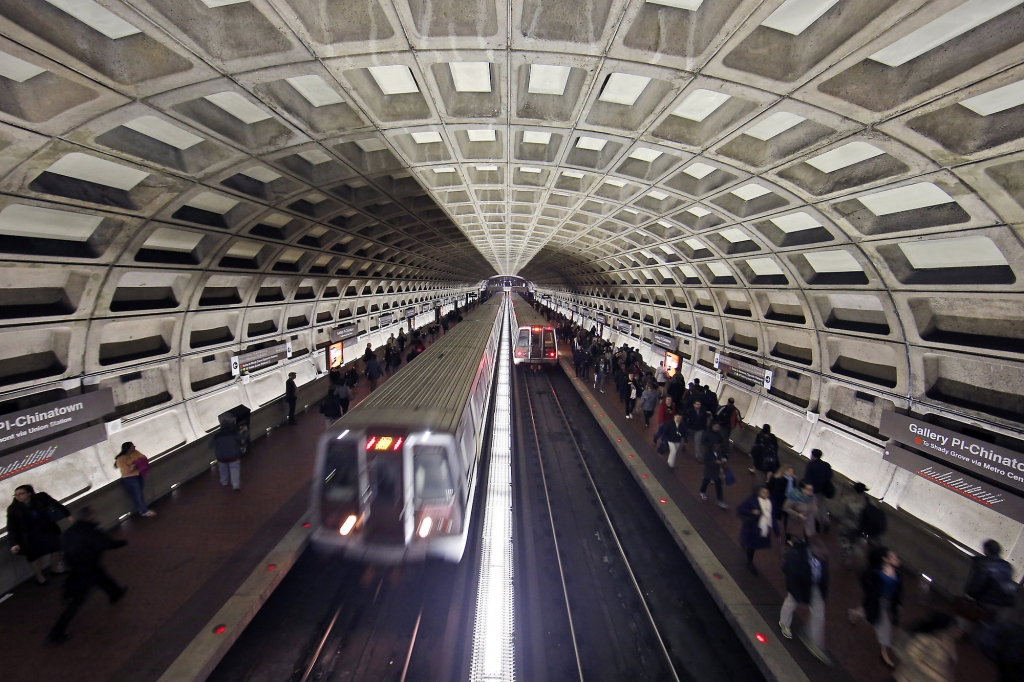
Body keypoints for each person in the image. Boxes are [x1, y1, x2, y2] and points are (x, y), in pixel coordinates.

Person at [47, 506, 127, 644]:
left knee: (102, 578)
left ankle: (115, 593)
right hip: (87, 567)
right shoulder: (90, 531)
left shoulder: (70, 531)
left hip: (78, 567)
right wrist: (123, 542)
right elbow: (106, 543)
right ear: (90, 516)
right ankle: (56, 633)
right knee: (78, 600)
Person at [779, 538, 831, 664]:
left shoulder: (822, 561)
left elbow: (824, 579)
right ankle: (784, 623)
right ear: (814, 553)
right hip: (799, 584)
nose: (823, 559)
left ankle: (814, 639)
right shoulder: (798, 559)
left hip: (813, 585)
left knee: (818, 613)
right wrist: (796, 594)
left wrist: (822, 597)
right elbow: (790, 576)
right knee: (790, 603)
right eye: (821, 556)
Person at [850, 546, 903, 668]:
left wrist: (898, 602)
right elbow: (865, 582)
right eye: (893, 557)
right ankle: (884, 651)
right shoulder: (875, 572)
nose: (896, 559)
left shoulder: (897, 572)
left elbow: (899, 589)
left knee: (866, 612)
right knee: (884, 625)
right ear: (885, 559)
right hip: (877, 601)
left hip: (888, 601)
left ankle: (853, 613)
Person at [7, 485, 68, 585]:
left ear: (29, 493)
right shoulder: (13, 509)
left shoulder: (39, 500)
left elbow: (54, 505)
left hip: (46, 530)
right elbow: (12, 527)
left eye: (21, 494)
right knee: (34, 557)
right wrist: (14, 543)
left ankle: (55, 568)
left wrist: (67, 514)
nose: (18, 497)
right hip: (29, 536)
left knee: (56, 548)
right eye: (16, 495)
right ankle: (40, 577)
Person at [892, 612, 959, 682]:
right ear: (942, 628)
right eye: (951, 628)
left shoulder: (947, 640)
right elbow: (916, 660)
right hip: (912, 678)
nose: (955, 631)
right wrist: (939, 677)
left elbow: (951, 658)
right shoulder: (923, 639)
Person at [965, 539, 1018, 623]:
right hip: (1002, 603)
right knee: (989, 625)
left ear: (986, 549)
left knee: (971, 620)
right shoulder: (1007, 565)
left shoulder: (984, 562)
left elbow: (977, 584)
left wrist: (970, 594)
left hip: (986, 600)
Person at [738, 484, 777, 575]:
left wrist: (777, 531)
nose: (766, 495)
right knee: (751, 546)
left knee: (752, 544)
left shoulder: (769, 503)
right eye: (763, 492)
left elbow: (772, 517)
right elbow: (740, 509)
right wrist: (751, 512)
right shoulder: (752, 501)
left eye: (767, 493)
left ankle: (745, 545)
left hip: (760, 528)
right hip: (752, 527)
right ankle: (749, 562)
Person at [115, 442, 155, 517]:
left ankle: (143, 507)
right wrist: (135, 464)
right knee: (137, 494)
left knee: (140, 492)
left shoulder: (136, 453)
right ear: (128, 448)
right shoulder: (120, 459)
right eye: (133, 446)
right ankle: (143, 510)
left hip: (138, 474)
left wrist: (137, 464)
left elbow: (143, 458)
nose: (134, 447)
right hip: (129, 478)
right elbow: (126, 469)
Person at [804, 448, 833, 531]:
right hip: (823, 490)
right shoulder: (826, 465)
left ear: (813, 455)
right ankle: (826, 523)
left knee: (812, 507)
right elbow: (830, 476)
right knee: (822, 507)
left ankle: (816, 524)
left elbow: (807, 478)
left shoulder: (811, 465)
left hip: (812, 490)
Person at [699, 429, 729, 509]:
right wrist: (715, 462)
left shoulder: (719, 453)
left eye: (718, 446)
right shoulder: (707, 453)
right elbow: (705, 461)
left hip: (716, 471)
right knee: (706, 481)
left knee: (718, 485)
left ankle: (719, 498)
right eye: (716, 446)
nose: (717, 447)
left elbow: (721, 458)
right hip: (708, 470)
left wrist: (722, 462)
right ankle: (702, 491)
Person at [211, 422, 242, 491]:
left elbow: (211, 445)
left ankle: (224, 482)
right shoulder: (234, 434)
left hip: (221, 457)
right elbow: (240, 439)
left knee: (223, 469)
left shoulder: (217, 436)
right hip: (233, 455)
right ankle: (235, 484)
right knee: (234, 469)